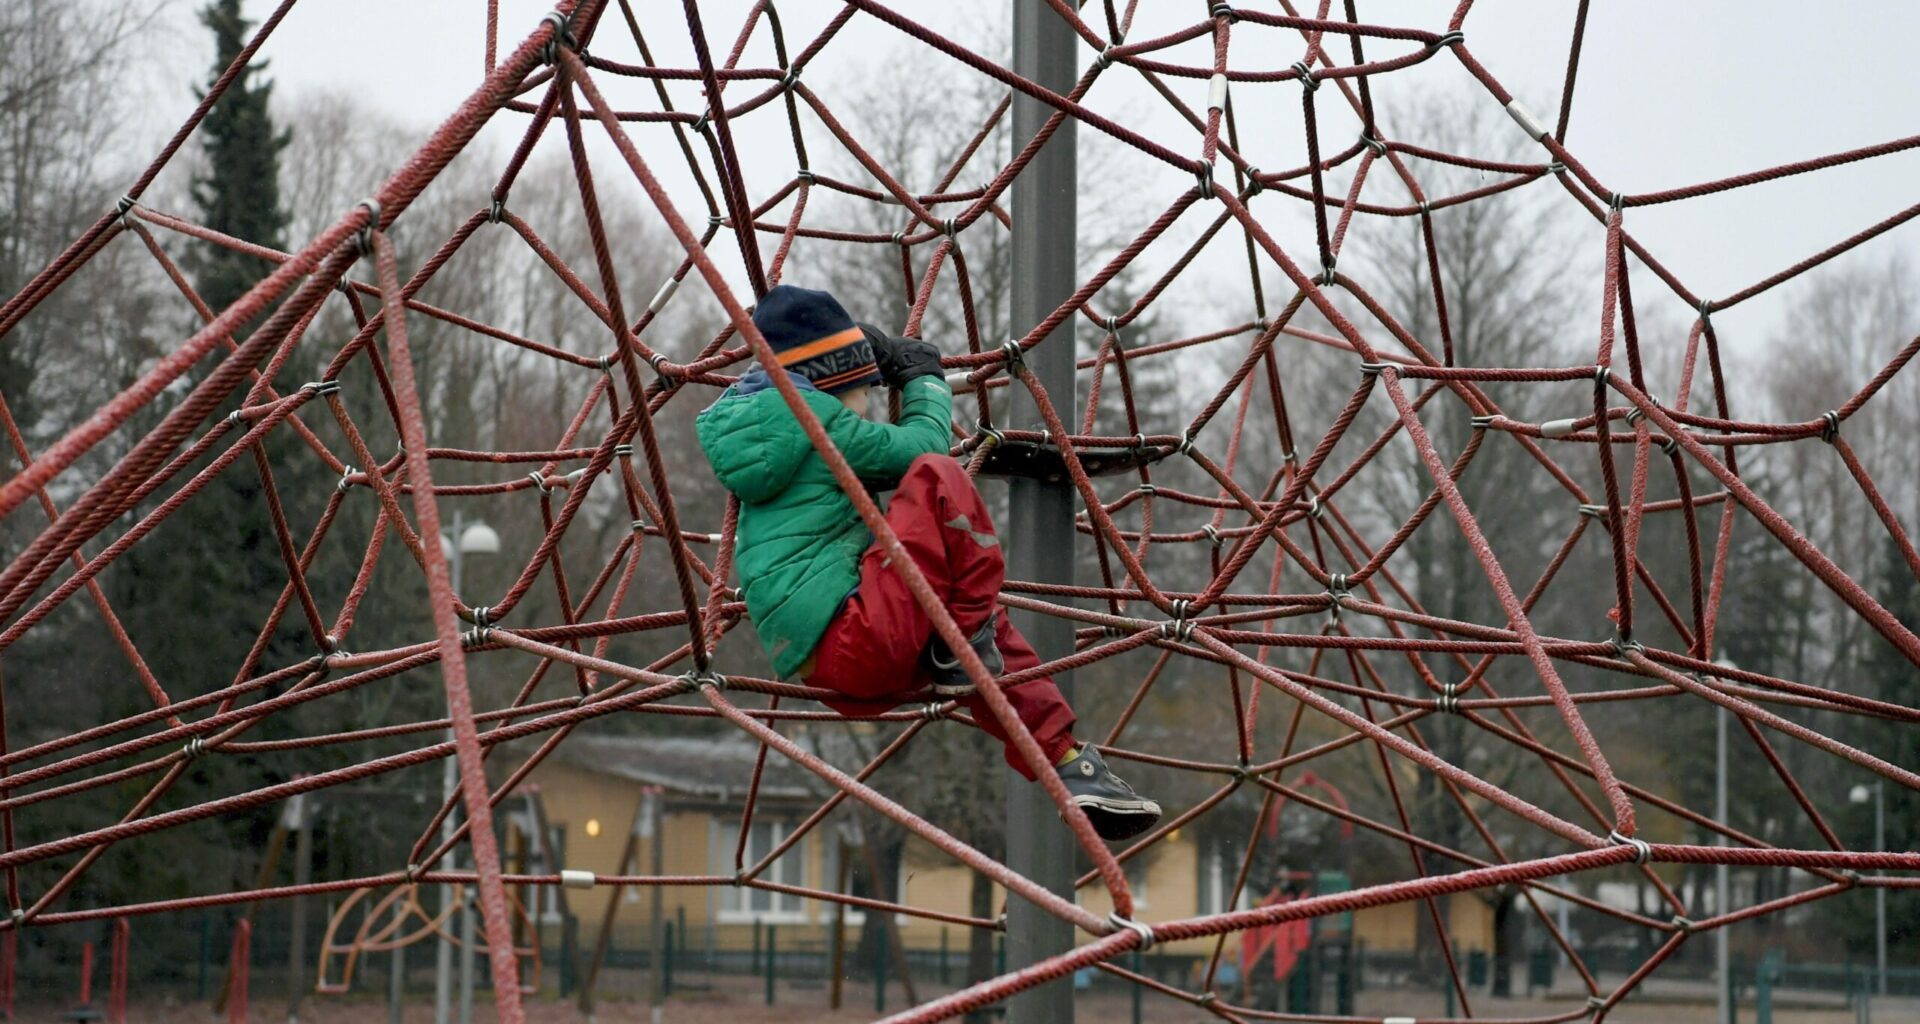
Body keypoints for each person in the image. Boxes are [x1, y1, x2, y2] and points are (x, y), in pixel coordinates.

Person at [695, 284, 1161, 841]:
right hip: (855, 633)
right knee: (939, 481)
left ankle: (1065, 761)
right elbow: (925, 451)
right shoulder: (812, 419)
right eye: (864, 389)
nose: (869, 402)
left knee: (979, 628)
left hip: (834, 662)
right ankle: (964, 649)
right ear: (833, 386)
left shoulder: (766, 427)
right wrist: (923, 381)